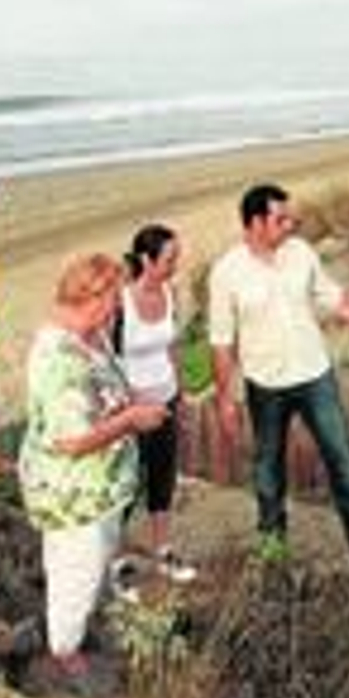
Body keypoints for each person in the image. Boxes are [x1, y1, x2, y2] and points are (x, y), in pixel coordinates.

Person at [209, 183, 349, 570]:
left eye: (289, 217)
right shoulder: (227, 272)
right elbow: (221, 342)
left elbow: (332, 297)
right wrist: (226, 399)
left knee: (342, 461)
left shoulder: (300, 253)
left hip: (315, 376)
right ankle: (273, 547)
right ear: (256, 223)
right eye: (281, 219)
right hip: (265, 386)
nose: (290, 224)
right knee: (268, 471)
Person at [19, 253, 167, 687]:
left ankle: (77, 627)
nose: (117, 310)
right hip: (74, 495)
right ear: (93, 296)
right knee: (75, 572)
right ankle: (64, 653)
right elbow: (71, 442)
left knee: (90, 562)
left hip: (101, 489)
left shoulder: (91, 336)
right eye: (113, 301)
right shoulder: (59, 357)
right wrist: (131, 421)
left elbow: (108, 386)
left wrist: (133, 399)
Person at [117, 223, 198, 583]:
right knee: (125, 486)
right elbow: (108, 359)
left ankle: (163, 552)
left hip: (164, 401)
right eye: (169, 259)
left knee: (162, 480)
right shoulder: (121, 302)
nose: (174, 265)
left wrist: (180, 394)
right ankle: (116, 563)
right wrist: (129, 405)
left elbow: (173, 347)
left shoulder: (170, 292)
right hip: (130, 411)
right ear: (146, 260)